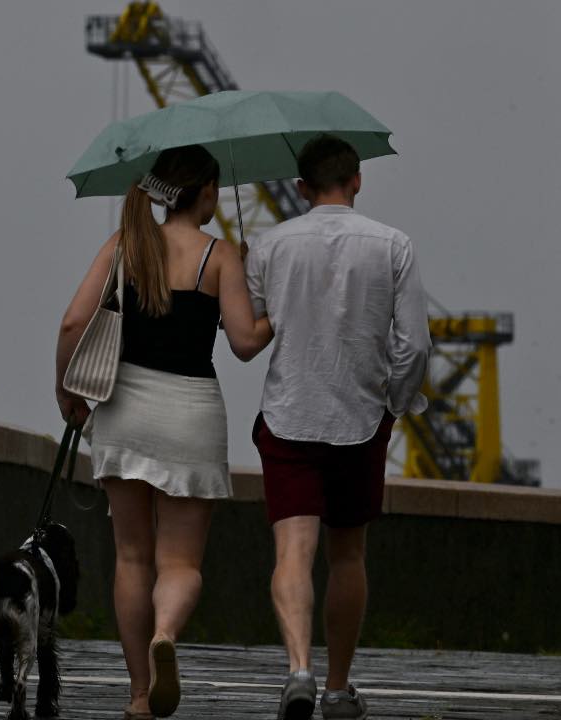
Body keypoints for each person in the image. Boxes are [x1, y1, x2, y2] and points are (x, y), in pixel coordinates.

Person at [55, 144, 273, 720]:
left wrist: (66, 393)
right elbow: (247, 344)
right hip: (191, 413)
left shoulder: (127, 244)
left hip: (124, 410)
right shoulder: (219, 255)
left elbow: (74, 321)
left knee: (131, 558)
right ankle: (167, 635)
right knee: (180, 565)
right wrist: (270, 304)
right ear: (203, 192)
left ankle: (138, 696)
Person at [244, 134, 431, 720]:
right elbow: (416, 346)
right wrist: (394, 405)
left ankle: (298, 669)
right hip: (359, 417)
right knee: (348, 556)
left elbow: (249, 329)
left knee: (292, 553)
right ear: (357, 180)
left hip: (289, 415)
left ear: (300, 188)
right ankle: (337, 688)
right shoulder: (394, 245)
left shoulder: (271, 244)